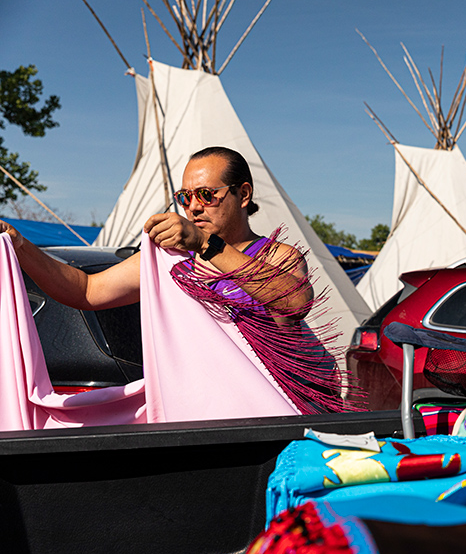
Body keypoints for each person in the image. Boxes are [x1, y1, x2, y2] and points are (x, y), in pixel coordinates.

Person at [0, 146, 342, 414]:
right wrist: (20, 245)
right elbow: (86, 290)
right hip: (206, 413)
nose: (193, 207)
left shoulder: (275, 256)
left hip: (279, 412)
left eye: (207, 195)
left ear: (244, 194)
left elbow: (294, 301)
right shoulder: (175, 263)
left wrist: (205, 245)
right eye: (185, 197)